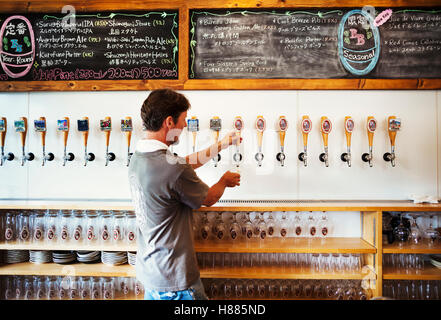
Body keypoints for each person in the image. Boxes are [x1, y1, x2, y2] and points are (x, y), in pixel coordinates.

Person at [128, 88, 241, 300]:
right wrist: (224, 181)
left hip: (151, 274)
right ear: (169, 122)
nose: (184, 126)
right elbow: (208, 199)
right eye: (183, 120)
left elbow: (184, 164)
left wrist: (221, 144)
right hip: (176, 282)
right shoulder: (173, 169)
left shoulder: (139, 157)